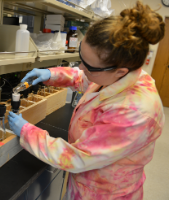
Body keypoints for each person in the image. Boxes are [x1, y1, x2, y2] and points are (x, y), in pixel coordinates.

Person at [9, 2, 164, 199]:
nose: (80, 67)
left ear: (120, 71)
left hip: (105, 192)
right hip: (85, 181)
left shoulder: (136, 113)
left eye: (88, 65)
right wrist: (50, 74)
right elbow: (85, 78)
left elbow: (76, 158)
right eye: (82, 57)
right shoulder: (117, 76)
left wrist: (27, 131)